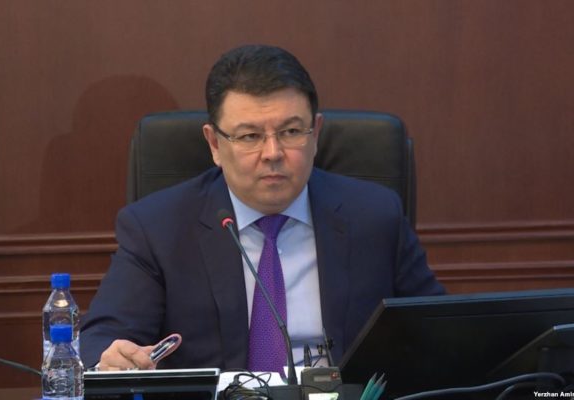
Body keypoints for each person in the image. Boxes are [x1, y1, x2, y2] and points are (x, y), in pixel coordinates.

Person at [79, 44, 445, 373]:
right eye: (250, 136)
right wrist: (113, 359)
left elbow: (439, 329)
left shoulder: (375, 216)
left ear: (316, 134)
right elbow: (102, 340)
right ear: (214, 144)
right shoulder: (157, 228)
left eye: (291, 132)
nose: (273, 153)